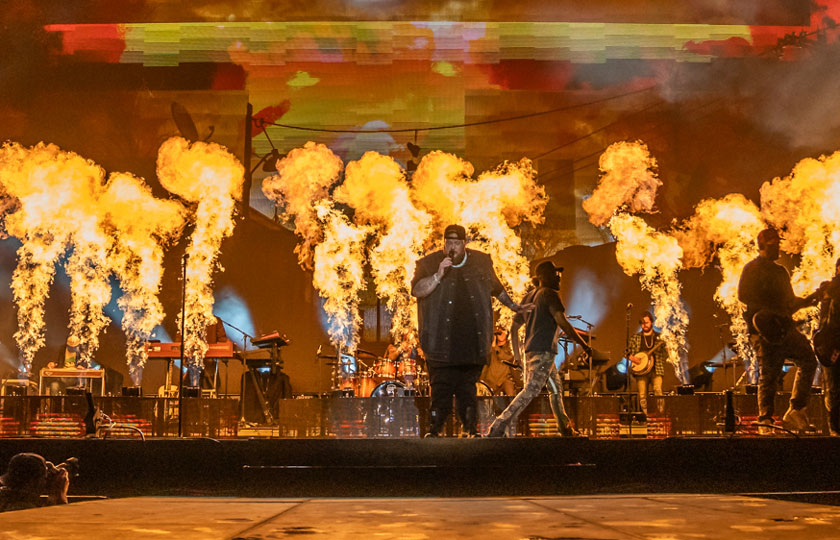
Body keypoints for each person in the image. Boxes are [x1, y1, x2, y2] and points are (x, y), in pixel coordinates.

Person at [411, 224, 530, 437]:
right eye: (449, 243)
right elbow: (417, 291)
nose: (452, 247)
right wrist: (438, 275)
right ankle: (435, 432)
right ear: (444, 243)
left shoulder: (481, 262)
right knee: (441, 389)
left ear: (464, 243)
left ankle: (470, 431)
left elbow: (497, 289)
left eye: (456, 243)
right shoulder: (428, 263)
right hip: (440, 344)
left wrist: (514, 306)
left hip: (472, 344)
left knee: (467, 390)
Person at [486, 261, 591, 438]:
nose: (559, 278)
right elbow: (562, 322)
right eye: (555, 274)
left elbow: (514, 328)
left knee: (556, 390)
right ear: (544, 277)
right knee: (531, 391)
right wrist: (585, 345)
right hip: (543, 352)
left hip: (532, 352)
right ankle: (498, 426)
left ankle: (565, 429)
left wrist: (518, 356)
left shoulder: (529, 297)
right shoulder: (549, 294)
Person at [738, 228, 819, 434]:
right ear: (762, 246)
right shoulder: (751, 269)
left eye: (778, 244)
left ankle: (796, 410)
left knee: (808, 360)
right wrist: (770, 311)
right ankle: (765, 419)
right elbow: (743, 296)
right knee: (769, 374)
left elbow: (789, 302)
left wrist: (808, 301)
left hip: (784, 326)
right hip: (764, 330)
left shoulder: (781, 272)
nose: (778, 248)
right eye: (773, 244)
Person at [816, 257, 840, 436]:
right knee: (834, 388)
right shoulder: (830, 289)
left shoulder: (828, 289)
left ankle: (835, 429)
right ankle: (835, 429)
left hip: (830, 345)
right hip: (833, 346)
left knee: (834, 389)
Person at [626, 312, 668, 413]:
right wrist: (633, 358)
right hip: (640, 372)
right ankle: (646, 416)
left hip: (656, 369)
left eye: (646, 322)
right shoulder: (635, 337)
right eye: (642, 323)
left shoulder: (659, 337)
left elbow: (666, 352)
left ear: (651, 322)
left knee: (658, 391)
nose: (644, 325)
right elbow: (626, 353)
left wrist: (668, 345)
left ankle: (660, 414)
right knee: (642, 395)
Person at [0, 453, 69, 512]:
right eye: (44, 479)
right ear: (35, 483)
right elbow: (59, 521)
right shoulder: (22, 508)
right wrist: (60, 494)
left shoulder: (5, 496)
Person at [481, 327, 518, 396]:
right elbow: (485, 363)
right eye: (499, 331)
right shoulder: (491, 347)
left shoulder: (510, 347)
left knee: (510, 392)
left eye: (503, 331)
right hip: (490, 381)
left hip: (503, 380)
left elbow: (507, 357)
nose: (501, 333)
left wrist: (495, 347)